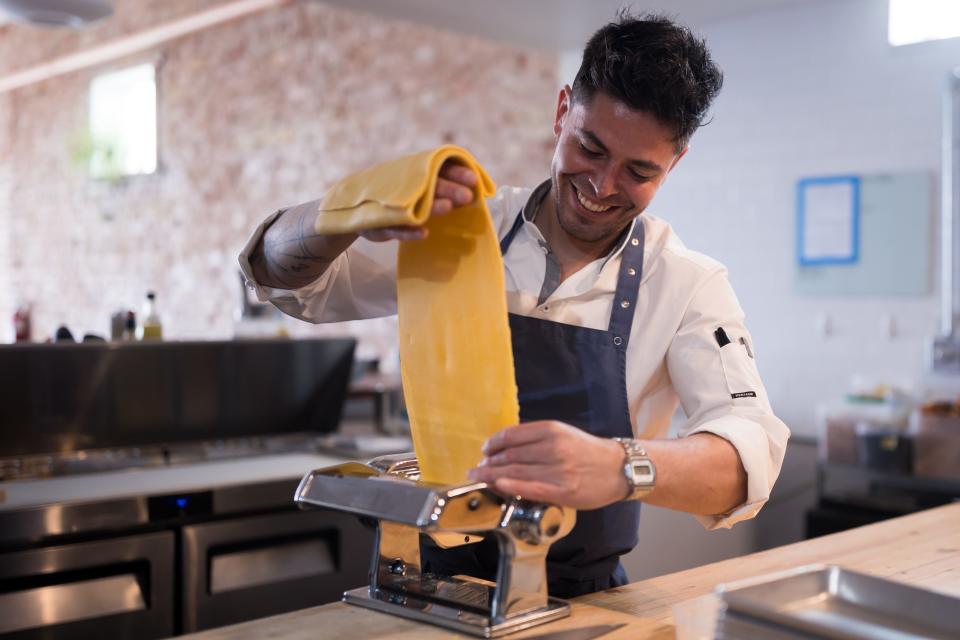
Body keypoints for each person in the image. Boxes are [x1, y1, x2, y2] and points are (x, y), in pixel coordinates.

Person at [239, 12, 790, 598]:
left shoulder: (686, 284)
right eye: (590, 147)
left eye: (638, 171)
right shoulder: (458, 228)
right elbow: (289, 283)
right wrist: (346, 214)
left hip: (578, 604)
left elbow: (748, 455)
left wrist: (618, 466)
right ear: (561, 113)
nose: (602, 186)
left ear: (673, 164)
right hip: (423, 590)